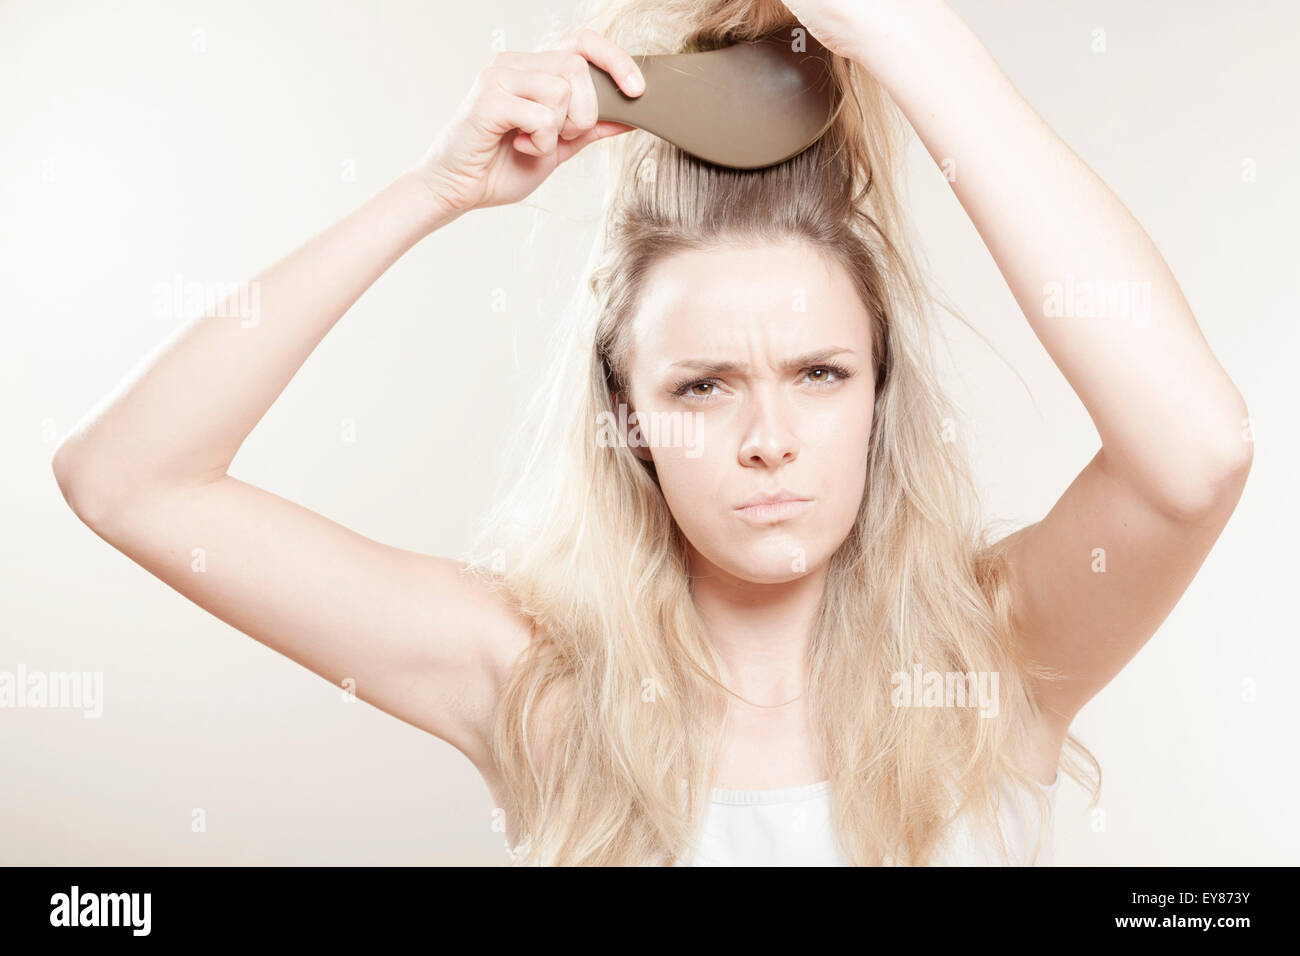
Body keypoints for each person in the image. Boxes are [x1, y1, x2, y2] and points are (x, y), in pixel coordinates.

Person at [51, 0, 1252, 866]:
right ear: (624, 419)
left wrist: (912, 38)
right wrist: (434, 191)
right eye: (702, 387)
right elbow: (126, 480)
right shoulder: (535, 684)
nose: (768, 436)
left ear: (880, 394)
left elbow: (1195, 452)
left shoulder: (1001, 658)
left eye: (820, 372)